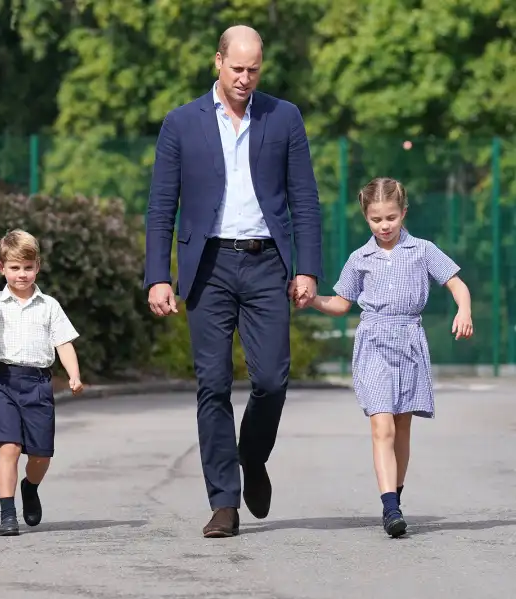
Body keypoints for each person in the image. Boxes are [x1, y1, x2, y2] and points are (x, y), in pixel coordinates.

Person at [144, 24, 323, 538]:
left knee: (271, 380)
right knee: (213, 385)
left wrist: (307, 268)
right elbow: (161, 207)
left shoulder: (283, 117)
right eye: (237, 68)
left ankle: (253, 455)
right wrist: (159, 276)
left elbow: (304, 199)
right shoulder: (181, 123)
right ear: (217, 62)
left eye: (254, 69)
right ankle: (223, 501)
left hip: (268, 262)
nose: (245, 78)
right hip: (209, 266)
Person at [308, 177, 473, 537]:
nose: (384, 226)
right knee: (380, 423)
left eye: (391, 218)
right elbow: (341, 303)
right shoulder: (359, 258)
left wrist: (464, 311)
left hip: (410, 341)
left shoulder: (423, 250)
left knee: (401, 426)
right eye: (376, 219)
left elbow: (457, 284)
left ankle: (395, 496)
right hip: (373, 343)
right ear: (365, 217)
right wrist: (314, 300)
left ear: (403, 213)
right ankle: (390, 508)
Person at [0, 229, 83, 536]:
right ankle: (8, 513)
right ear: (1, 267)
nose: (22, 274)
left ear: (38, 267)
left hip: (38, 384)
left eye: (28, 268)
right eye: (15, 268)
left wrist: (73, 374)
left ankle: (30, 487)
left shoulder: (49, 305)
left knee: (41, 454)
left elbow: (64, 343)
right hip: (4, 382)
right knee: (9, 448)